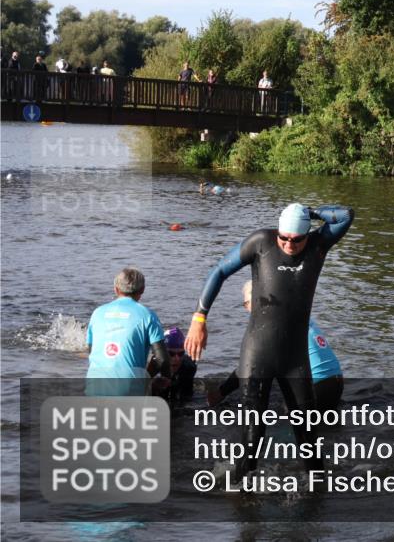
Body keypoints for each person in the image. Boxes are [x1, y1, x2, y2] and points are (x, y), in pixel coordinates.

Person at [185, 202, 354, 478]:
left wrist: (309, 212)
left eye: (296, 239)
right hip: (258, 353)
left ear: (307, 234)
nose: (289, 244)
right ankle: (242, 494)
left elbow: (345, 215)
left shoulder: (318, 245)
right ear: (277, 231)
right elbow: (219, 271)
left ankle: (316, 496)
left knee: (308, 436)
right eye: (284, 237)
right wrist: (199, 319)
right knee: (252, 436)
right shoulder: (261, 242)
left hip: (295, 358)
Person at [207, 280, 343, 410]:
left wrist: (220, 393)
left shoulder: (272, 324)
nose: (247, 309)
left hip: (315, 387)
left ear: (258, 299)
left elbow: (249, 366)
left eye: (247, 303)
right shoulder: (293, 311)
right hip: (336, 382)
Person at [86, 268, 169, 396]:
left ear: (116, 289)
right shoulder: (148, 315)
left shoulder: (97, 313)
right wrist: (166, 377)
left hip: (94, 386)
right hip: (128, 390)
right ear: (142, 290)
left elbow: (91, 351)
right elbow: (161, 359)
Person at [149, 327, 198, 406]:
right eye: (171, 354)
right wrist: (151, 385)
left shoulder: (189, 367)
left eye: (180, 353)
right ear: (162, 353)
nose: (176, 358)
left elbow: (187, 397)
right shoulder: (151, 366)